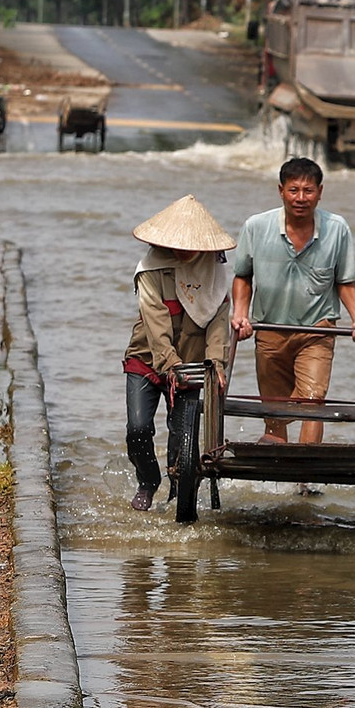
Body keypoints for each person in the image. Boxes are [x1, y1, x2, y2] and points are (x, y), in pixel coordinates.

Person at [229, 157, 355, 444]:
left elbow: (344, 281)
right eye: (294, 190)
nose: (301, 198)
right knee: (273, 406)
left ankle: (306, 477)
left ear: (320, 192)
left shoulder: (337, 229)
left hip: (318, 330)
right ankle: (275, 472)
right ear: (281, 190)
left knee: (312, 402)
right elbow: (243, 276)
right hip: (268, 329)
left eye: (308, 191)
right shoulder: (256, 226)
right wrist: (240, 314)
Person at [122, 195, 236, 511]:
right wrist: (169, 363)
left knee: (181, 439)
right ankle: (147, 480)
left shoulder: (214, 274)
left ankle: (177, 490)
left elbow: (218, 322)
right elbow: (154, 321)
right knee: (138, 429)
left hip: (192, 364)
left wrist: (216, 364)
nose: (184, 250)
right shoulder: (149, 270)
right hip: (146, 358)